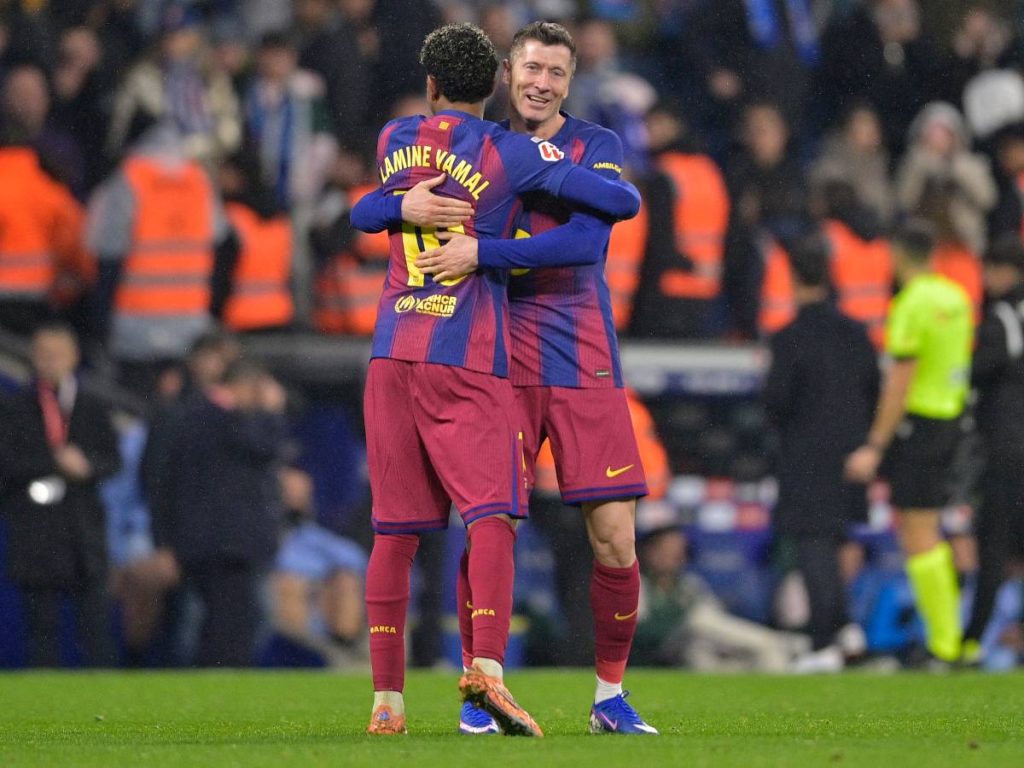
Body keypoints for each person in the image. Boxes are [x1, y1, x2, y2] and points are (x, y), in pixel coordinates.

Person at [349, 22, 641, 737]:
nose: (543, 82)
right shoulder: (486, 147)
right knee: (492, 520)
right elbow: (372, 207)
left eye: (558, 73)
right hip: (489, 351)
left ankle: (608, 697)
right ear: (505, 73)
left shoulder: (591, 144)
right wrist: (402, 209)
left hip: (576, 350)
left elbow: (588, 238)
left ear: (571, 83)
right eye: (533, 67)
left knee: (614, 537)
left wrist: (485, 251)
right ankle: (480, 687)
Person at [845, 220, 974, 664]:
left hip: (917, 426)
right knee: (931, 531)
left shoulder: (911, 304)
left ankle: (945, 643)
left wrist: (876, 445)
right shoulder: (956, 297)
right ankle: (949, 637)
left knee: (918, 534)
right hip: (951, 423)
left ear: (899, 256)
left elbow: (901, 379)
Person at [763, 235, 877, 671]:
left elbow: (776, 401)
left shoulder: (789, 338)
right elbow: (874, 389)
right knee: (836, 540)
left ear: (793, 280)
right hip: (851, 455)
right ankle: (846, 628)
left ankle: (823, 641)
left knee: (812, 545)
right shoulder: (856, 333)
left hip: (805, 455)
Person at [153, 357, 288, 667]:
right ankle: (219, 692)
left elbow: (166, 483)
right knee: (232, 626)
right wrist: (270, 411)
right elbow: (265, 446)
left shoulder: (190, 415)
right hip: (227, 543)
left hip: (200, 539)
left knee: (216, 620)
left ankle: (206, 688)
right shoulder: (227, 421)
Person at [0, 322, 120, 667]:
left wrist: (87, 467)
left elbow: (112, 460)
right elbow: (6, 463)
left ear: (73, 358)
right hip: (35, 528)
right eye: (42, 354)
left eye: (57, 354)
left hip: (82, 529)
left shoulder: (93, 406)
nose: (49, 361)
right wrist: (52, 462)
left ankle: (107, 704)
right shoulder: (14, 408)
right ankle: (44, 708)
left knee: (96, 626)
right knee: (41, 627)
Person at [961, 233, 1024, 662]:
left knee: (995, 544)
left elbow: (984, 369)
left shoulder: (1001, 316)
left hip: (1007, 445)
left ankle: (971, 640)